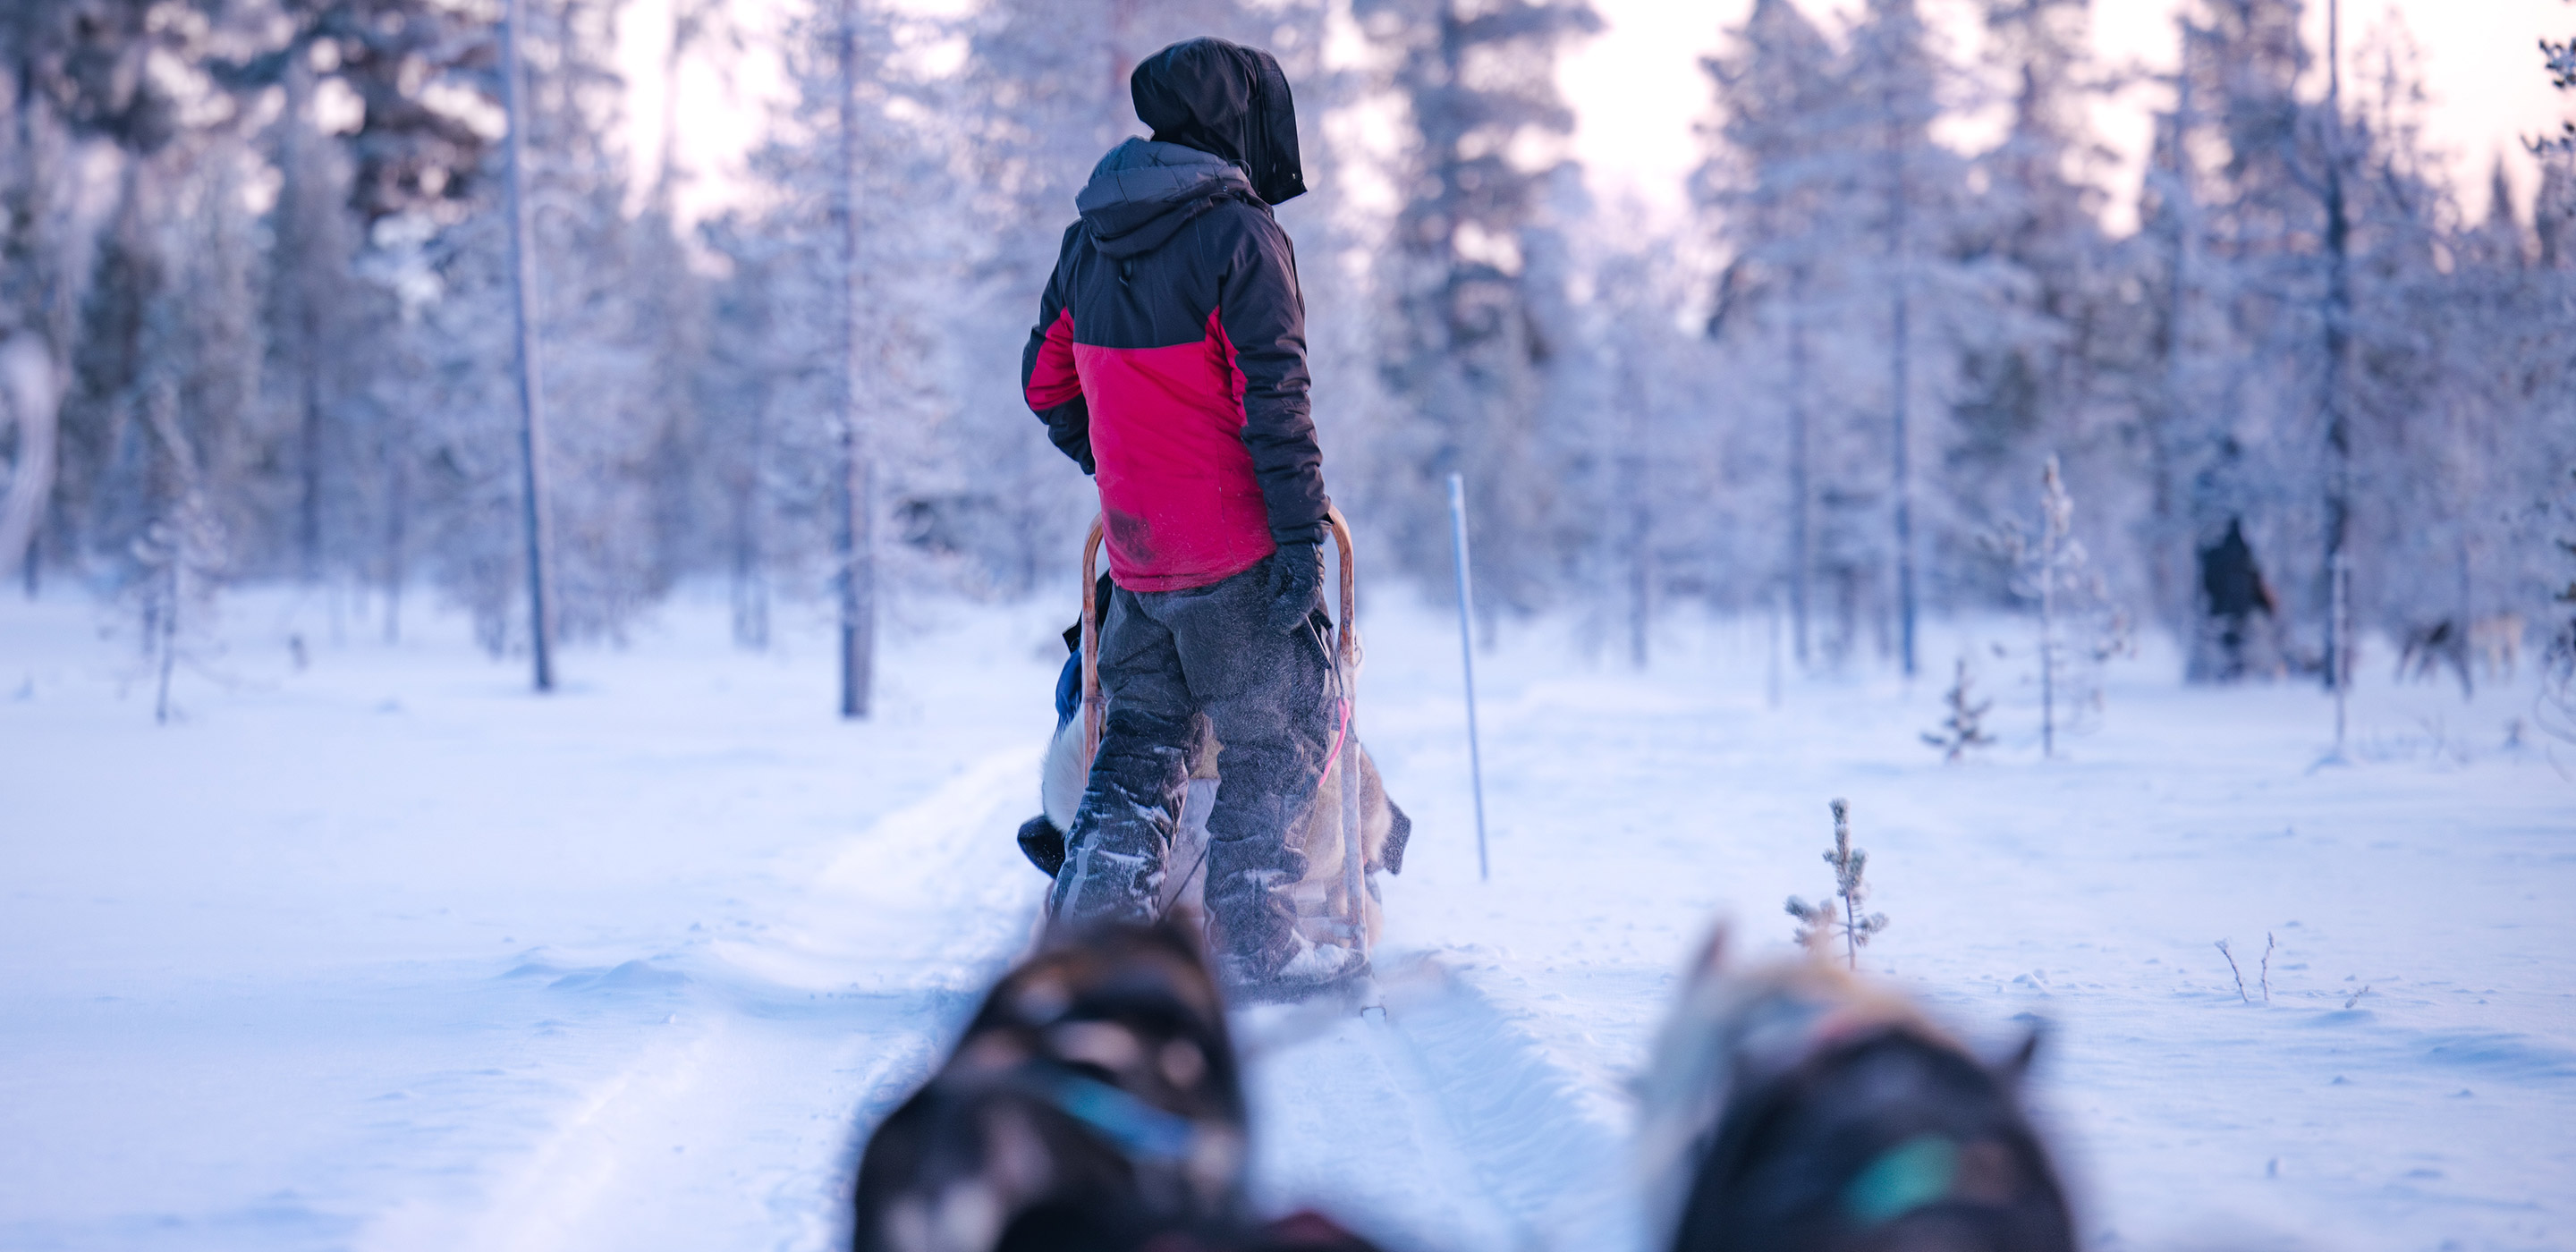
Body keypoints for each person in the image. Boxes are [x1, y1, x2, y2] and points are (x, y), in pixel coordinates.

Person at [1020, 37, 1356, 994]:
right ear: (1237, 119)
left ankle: (1092, 956)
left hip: (1138, 561)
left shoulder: (1090, 238)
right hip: (1237, 553)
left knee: (1137, 750)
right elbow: (1276, 400)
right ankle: (1251, 952)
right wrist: (1298, 539)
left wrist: (1121, 467)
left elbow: (1044, 383)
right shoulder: (1241, 237)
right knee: (1276, 739)